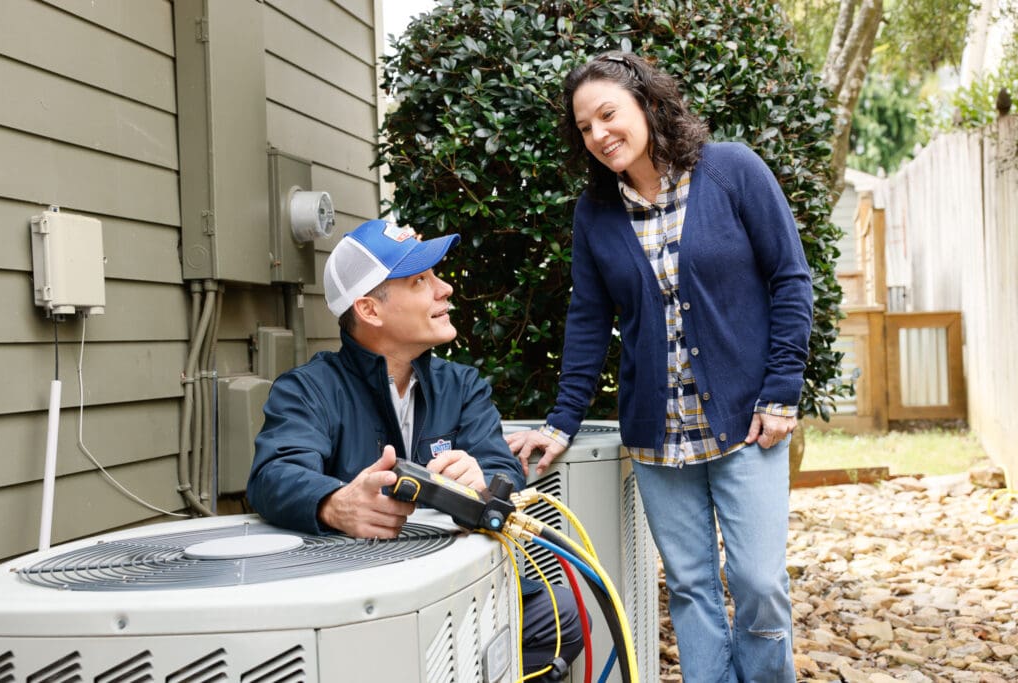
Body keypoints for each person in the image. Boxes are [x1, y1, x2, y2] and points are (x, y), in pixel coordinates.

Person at [506, 52, 812, 683]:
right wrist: (561, 422)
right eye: (584, 127)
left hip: (747, 422)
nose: (599, 135)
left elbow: (790, 279)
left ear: (646, 103)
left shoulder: (732, 171)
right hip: (658, 433)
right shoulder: (595, 214)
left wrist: (781, 391)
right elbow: (589, 320)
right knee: (693, 586)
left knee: (757, 579)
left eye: (608, 114)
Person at [247, 218, 584, 681]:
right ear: (369, 309)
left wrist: (482, 480)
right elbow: (273, 475)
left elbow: (501, 462)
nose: (444, 289)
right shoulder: (308, 390)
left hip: (460, 587)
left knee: (562, 616)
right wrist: (334, 504)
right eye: (420, 281)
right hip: (359, 603)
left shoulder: (461, 384)